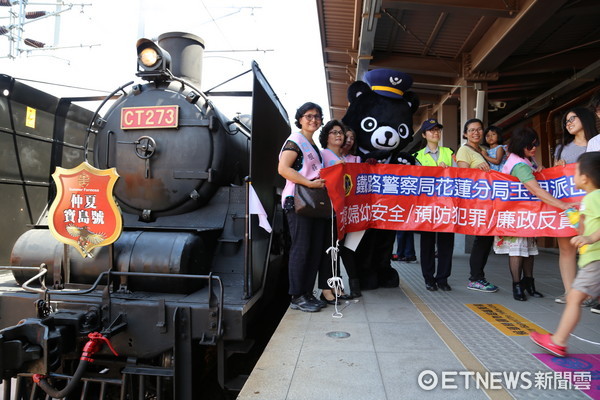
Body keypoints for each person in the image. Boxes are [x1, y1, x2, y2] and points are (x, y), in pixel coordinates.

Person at [530, 152, 600, 356]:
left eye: (576, 172)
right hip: (592, 260)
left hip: (596, 261)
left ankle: (558, 341)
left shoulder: (595, 197)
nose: (573, 176)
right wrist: (579, 218)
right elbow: (585, 226)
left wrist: (589, 238)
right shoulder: (591, 198)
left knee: (574, 298)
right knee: (575, 298)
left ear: (585, 178)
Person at [494, 127, 571, 301]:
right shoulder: (520, 165)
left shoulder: (526, 159)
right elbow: (536, 190)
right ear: (521, 145)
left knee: (528, 249)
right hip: (516, 215)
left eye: (535, 144)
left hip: (526, 214)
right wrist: (562, 205)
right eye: (530, 145)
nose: (534, 148)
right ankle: (517, 285)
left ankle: (528, 284)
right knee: (518, 250)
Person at [277, 102, 328, 312]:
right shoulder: (295, 141)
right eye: (308, 116)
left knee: (314, 249)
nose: (313, 120)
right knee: (301, 248)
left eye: (317, 117)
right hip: (297, 201)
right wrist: (308, 183)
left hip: (312, 202)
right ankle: (297, 295)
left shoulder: (313, 145)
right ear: (299, 119)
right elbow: (283, 168)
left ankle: (307, 292)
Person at [553, 107, 598, 304]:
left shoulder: (596, 143)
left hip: (593, 206)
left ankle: (591, 293)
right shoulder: (561, 149)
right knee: (566, 248)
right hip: (568, 206)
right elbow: (553, 178)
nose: (568, 123)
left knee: (594, 246)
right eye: (566, 121)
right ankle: (570, 292)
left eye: (573, 118)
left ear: (586, 118)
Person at [413, 118, 456, 291]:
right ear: (424, 135)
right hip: (427, 206)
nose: (435, 133)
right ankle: (429, 278)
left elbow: (459, 175)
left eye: (437, 130)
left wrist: (448, 170)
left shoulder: (449, 152)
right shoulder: (416, 156)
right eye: (431, 130)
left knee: (446, 243)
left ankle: (443, 278)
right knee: (427, 243)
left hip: (446, 205)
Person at [456, 118, 497, 292]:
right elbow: (463, 176)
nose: (476, 133)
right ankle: (475, 278)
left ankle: (479, 276)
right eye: (472, 130)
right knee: (482, 239)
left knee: (486, 240)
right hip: (477, 201)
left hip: (489, 200)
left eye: (479, 129)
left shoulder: (484, 150)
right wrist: (478, 170)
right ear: (465, 133)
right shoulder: (464, 150)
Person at [317, 120, 352, 304]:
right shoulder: (323, 154)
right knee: (328, 249)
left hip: (341, 211)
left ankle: (335, 284)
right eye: (334, 132)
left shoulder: (344, 157)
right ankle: (325, 288)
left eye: (341, 132)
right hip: (328, 209)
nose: (338, 135)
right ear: (326, 136)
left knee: (336, 250)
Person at [339, 126, 362, 298]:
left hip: (353, 211)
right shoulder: (327, 155)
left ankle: (355, 286)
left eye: (352, 138)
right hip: (335, 211)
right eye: (346, 136)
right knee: (333, 249)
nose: (349, 140)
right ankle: (335, 286)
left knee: (349, 249)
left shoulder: (357, 158)